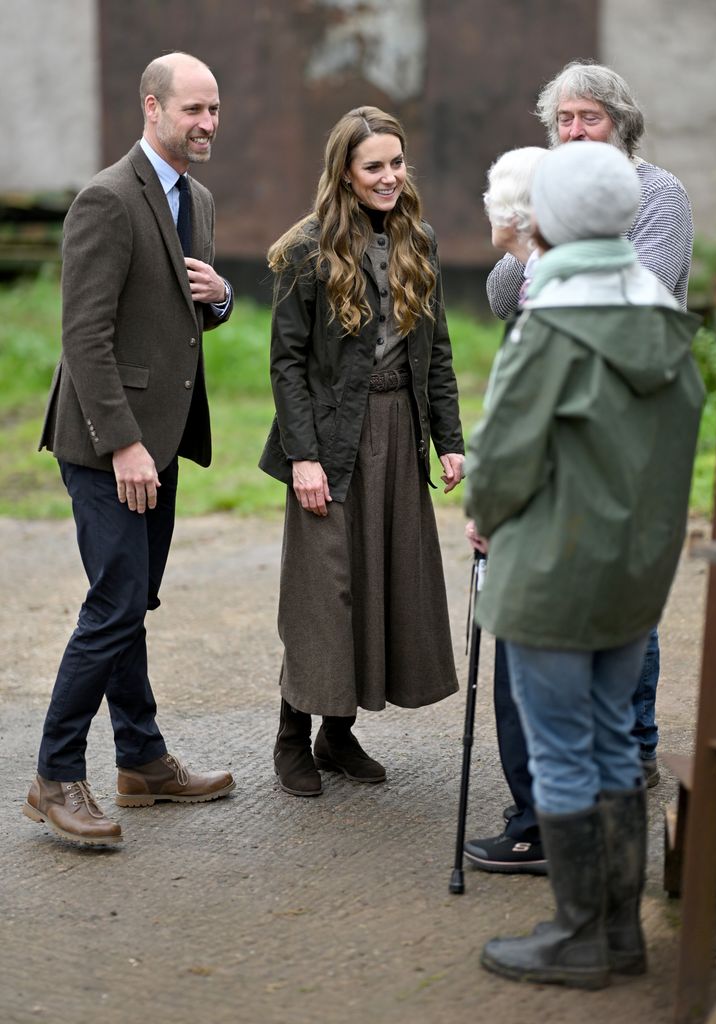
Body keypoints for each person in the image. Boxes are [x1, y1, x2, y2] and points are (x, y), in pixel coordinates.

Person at [466, 140, 704, 989]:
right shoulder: (666, 323)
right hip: (634, 573)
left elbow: (499, 464)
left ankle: (577, 937)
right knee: (610, 745)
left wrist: (483, 517)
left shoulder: (554, 323)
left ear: (551, 217)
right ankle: (618, 936)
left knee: (562, 751)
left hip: (553, 574)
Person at [23, 52, 236, 848]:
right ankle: (54, 776)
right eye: (193, 110)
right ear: (151, 108)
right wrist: (123, 446)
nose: (208, 123)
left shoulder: (197, 198)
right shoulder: (107, 199)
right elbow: (84, 336)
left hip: (164, 441)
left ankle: (142, 761)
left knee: (133, 600)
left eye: (214, 110)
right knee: (114, 603)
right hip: (108, 445)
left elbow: (179, 312)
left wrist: (221, 301)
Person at [259, 106, 465, 798]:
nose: (388, 177)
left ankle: (337, 733)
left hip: (397, 431)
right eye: (373, 165)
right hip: (329, 440)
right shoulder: (304, 251)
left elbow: (434, 353)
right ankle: (292, 734)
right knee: (325, 593)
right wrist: (303, 457)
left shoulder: (419, 242)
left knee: (382, 583)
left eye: (396, 163)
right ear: (344, 173)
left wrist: (448, 441)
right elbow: (286, 363)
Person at [463, 146, 551, 877]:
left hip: (535, 528)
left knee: (521, 676)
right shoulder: (540, 284)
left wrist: (485, 508)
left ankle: (535, 826)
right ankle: (542, 816)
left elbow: (520, 427)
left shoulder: (545, 304)